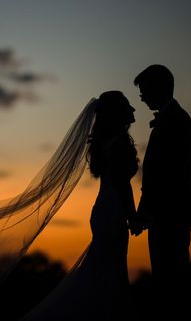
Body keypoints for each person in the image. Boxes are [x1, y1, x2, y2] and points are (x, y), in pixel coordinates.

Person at [0, 91, 139, 320]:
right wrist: (133, 216)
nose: (131, 111)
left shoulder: (103, 142)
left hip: (102, 209)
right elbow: (122, 185)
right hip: (113, 210)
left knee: (102, 268)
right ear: (117, 113)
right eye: (126, 107)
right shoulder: (119, 143)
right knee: (110, 270)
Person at [133, 64, 191, 292]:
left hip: (170, 213)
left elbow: (166, 175)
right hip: (165, 213)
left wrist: (145, 210)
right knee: (165, 280)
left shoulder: (176, 121)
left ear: (159, 87)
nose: (141, 98)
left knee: (170, 283)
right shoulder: (171, 119)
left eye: (144, 90)